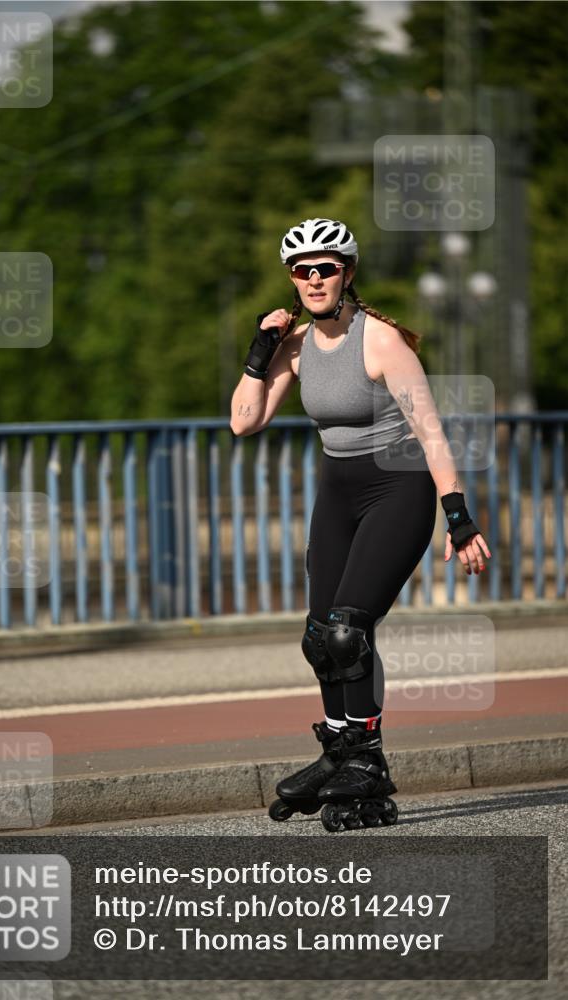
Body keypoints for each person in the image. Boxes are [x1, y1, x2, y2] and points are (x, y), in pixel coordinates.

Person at [230, 218, 492, 831]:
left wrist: (457, 516)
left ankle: (364, 762)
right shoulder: (293, 346)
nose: (314, 278)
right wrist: (259, 352)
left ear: (347, 273)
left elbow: (431, 433)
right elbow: (244, 422)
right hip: (338, 494)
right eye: (302, 270)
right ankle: (342, 755)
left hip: (398, 489)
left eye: (325, 268)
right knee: (320, 637)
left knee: (350, 630)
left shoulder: (381, 342)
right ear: (292, 280)